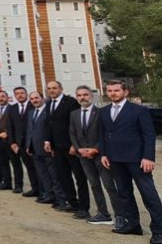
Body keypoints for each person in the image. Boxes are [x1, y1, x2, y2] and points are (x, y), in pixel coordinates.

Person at [100, 81, 162, 241]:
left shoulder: (139, 110)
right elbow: (103, 134)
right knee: (124, 194)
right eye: (110, 91)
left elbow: (149, 135)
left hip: (137, 160)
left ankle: (159, 230)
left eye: (116, 90)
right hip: (115, 159)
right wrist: (104, 154)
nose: (113, 93)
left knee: (149, 195)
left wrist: (148, 157)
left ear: (125, 92)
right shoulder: (104, 111)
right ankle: (133, 225)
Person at [69, 85, 121, 225]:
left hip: (100, 155)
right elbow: (72, 133)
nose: (82, 97)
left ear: (91, 96)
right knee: (94, 185)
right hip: (83, 156)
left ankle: (121, 215)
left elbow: (105, 134)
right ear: (76, 97)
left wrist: (96, 149)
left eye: (85, 95)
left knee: (109, 185)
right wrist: (79, 149)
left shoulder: (101, 113)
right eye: (79, 95)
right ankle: (103, 214)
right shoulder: (74, 114)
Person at [44, 81, 89, 214]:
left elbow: (76, 124)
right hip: (57, 147)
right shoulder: (48, 104)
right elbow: (49, 124)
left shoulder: (71, 102)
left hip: (71, 147)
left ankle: (84, 207)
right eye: (49, 88)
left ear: (61, 89)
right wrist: (48, 141)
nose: (52, 90)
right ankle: (72, 203)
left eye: (54, 88)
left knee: (79, 177)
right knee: (64, 176)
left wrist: (74, 145)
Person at [25, 91, 66, 206]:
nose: (34, 100)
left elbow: (52, 129)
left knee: (54, 175)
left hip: (47, 148)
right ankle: (49, 195)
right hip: (35, 148)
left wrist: (51, 144)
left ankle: (61, 198)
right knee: (43, 173)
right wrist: (28, 145)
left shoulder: (49, 111)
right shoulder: (31, 112)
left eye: (36, 98)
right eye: (32, 99)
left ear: (42, 98)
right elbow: (30, 130)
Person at [8, 87, 38, 196]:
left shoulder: (33, 106)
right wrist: (12, 142)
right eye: (17, 94)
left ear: (26, 94)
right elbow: (10, 126)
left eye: (22, 93)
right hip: (19, 143)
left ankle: (40, 189)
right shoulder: (13, 108)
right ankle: (33, 188)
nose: (20, 95)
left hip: (32, 143)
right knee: (27, 166)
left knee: (35, 167)